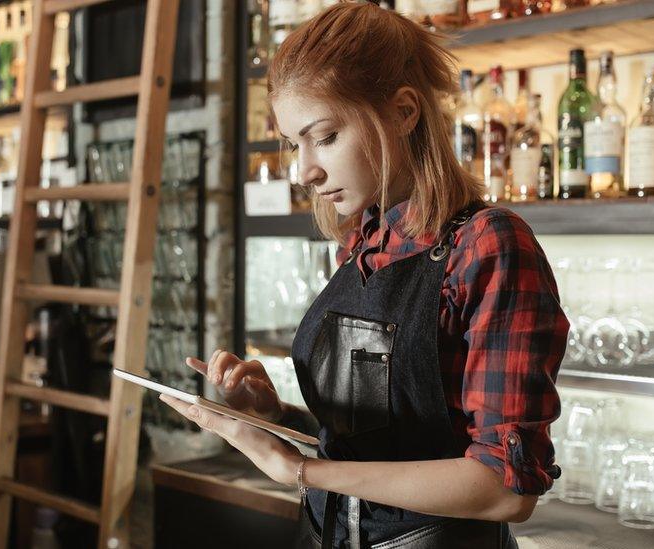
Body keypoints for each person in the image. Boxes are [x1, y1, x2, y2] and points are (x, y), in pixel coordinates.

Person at [159, 2, 569, 547]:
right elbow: (387, 444)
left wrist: (300, 471)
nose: (305, 170)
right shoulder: (362, 243)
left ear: (403, 112)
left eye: (324, 136)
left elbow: (504, 490)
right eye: (294, 144)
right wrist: (272, 416)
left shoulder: (486, 244)